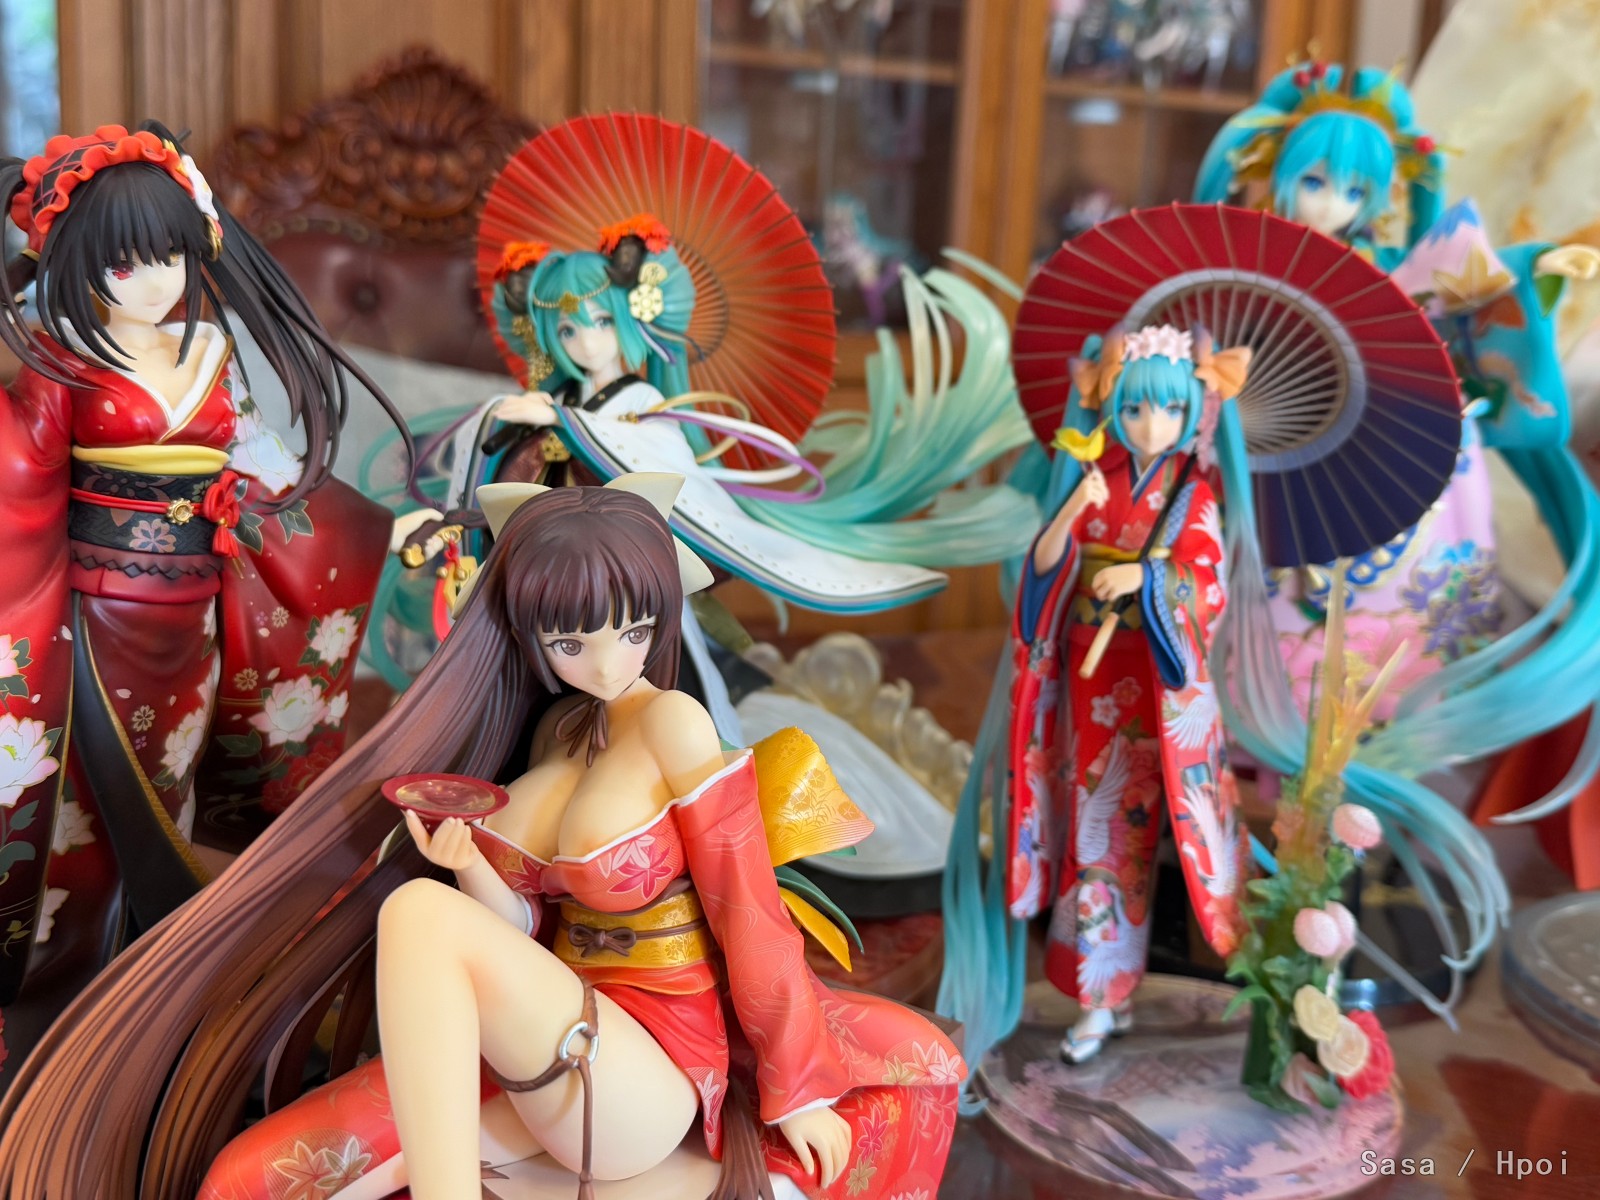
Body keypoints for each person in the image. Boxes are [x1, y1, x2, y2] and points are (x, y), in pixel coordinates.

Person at [0, 480, 963, 1200]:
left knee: (419, 914)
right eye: (572, 642)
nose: (608, 663)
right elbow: (523, 933)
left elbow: (747, 906)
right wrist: (473, 872)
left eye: (633, 630)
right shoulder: (555, 734)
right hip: (546, 1042)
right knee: (253, 1178)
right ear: (530, 635)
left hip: (652, 1069)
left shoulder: (673, 723)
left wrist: (797, 1092)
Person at [0, 121, 410, 1075]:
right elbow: (19, 472)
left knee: (172, 793)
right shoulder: (64, 359)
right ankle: (70, 1014)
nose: (153, 283)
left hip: (197, 621)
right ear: (75, 261)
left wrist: (346, 515)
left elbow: (257, 462)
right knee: (88, 821)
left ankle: (159, 999)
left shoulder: (212, 349)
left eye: (171, 256)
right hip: (97, 619)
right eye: (125, 263)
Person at [997, 324, 1252, 1062]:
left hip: (1151, 678)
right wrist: (1070, 512)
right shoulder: (1095, 476)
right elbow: (1044, 569)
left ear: (1192, 412)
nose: (1150, 425)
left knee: (1123, 830)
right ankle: (1101, 995)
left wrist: (1146, 577)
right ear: (1112, 407)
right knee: (1090, 822)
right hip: (1088, 672)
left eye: (1169, 410)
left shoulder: (1192, 493)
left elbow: (1208, 585)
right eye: (1135, 409)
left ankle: (1107, 995)